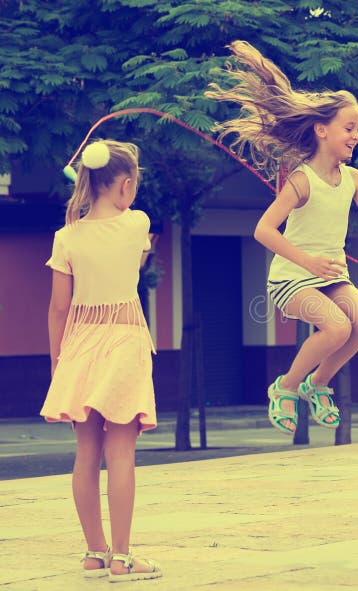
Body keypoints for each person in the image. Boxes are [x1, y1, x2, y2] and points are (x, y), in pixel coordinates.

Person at [207, 41, 358, 434]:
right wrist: (308, 262)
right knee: (337, 327)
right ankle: (285, 387)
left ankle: (317, 383)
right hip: (291, 279)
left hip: (329, 276)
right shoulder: (302, 180)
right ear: (322, 130)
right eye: (349, 128)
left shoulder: (353, 180)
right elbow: (263, 230)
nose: (356, 136)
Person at [41, 140, 162, 582]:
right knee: (122, 452)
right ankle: (123, 559)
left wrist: (59, 361)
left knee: (86, 451)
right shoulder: (138, 224)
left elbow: (58, 308)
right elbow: (137, 258)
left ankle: (94, 553)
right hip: (124, 342)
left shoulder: (66, 237)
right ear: (127, 185)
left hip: (78, 346)